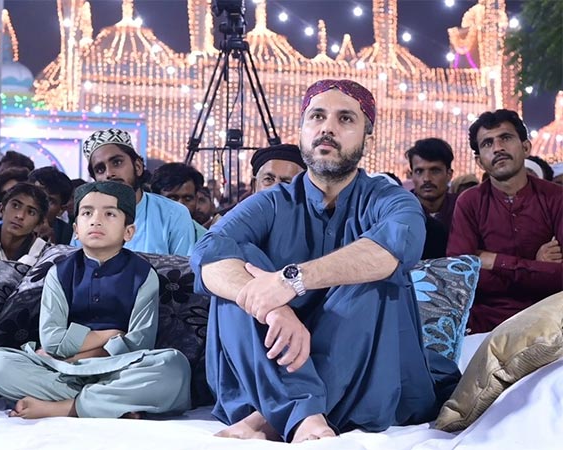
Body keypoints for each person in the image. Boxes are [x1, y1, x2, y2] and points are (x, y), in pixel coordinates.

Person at [191, 79, 459, 443]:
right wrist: (271, 307)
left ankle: (272, 418)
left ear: (369, 138)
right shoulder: (273, 202)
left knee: (370, 267)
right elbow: (207, 251)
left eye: (345, 119)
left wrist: (289, 281)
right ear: (302, 131)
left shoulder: (390, 200)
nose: (327, 128)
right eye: (317, 116)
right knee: (235, 264)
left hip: (365, 378)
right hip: (268, 361)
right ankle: (302, 414)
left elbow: (397, 246)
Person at [0, 181, 191, 419]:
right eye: (87, 212)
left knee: (174, 367)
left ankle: (66, 407)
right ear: (76, 229)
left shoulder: (143, 275)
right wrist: (109, 334)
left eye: (110, 213)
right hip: (61, 370)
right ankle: (110, 404)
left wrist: (76, 355)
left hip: (119, 368)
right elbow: (51, 340)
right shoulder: (59, 273)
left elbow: (139, 343)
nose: (96, 220)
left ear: (128, 231)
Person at [447, 109, 563, 333]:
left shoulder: (556, 198)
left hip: (552, 320)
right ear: (480, 162)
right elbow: (461, 277)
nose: (498, 148)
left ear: (526, 147)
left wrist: (494, 261)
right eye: (487, 143)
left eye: (506, 138)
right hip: (487, 325)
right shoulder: (469, 202)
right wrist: (537, 267)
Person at [75, 129, 195, 256]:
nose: (109, 173)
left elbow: (183, 271)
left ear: (137, 167)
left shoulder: (173, 214)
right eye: (100, 169)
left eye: (117, 162)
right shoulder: (86, 218)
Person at [0, 182, 51, 266]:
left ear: (38, 225)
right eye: (15, 206)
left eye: (31, 212)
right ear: (1, 209)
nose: (20, 216)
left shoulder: (46, 257)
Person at [149, 162, 208, 242]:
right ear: (155, 199)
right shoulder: (138, 234)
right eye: (172, 198)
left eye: (187, 199)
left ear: (196, 199)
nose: (181, 205)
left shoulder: (205, 241)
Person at [27, 166, 74, 245]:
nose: (39, 204)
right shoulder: (5, 226)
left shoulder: (69, 235)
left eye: (49, 200)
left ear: (61, 210)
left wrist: (51, 245)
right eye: (34, 195)